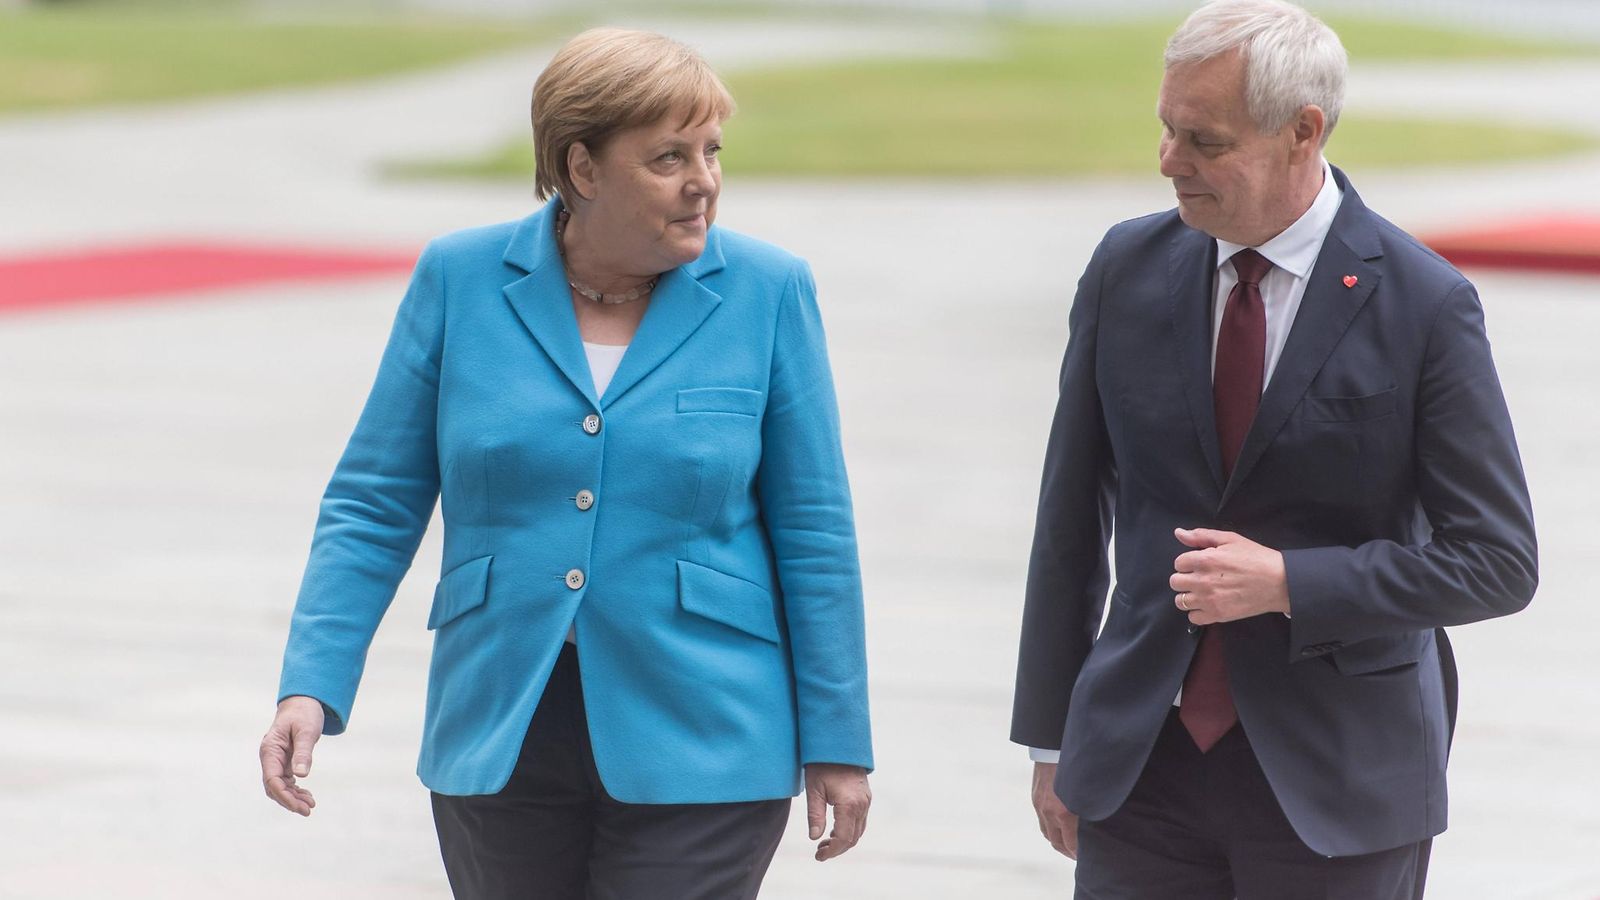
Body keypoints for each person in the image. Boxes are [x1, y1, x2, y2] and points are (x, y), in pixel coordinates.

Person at [257, 28, 873, 899]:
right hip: (501, 722)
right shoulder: (459, 277)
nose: (704, 181)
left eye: (711, 151)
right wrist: (311, 684)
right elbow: (374, 499)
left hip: (709, 729)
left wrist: (837, 739)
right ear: (581, 168)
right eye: (667, 157)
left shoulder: (770, 292)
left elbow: (815, 527)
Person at [1010, 1, 1537, 897]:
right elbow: (1068, 517)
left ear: (1303, 131)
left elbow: (1496, 562)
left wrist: (1293, 583)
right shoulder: (1124, 268)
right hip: (1143, 767)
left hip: (1338, 784)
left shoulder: (1425, 304)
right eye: (1166, 130)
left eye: (1205, 141)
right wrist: (1056, 736)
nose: (1170, 161)